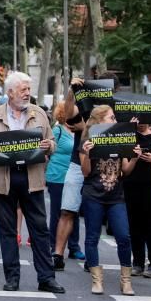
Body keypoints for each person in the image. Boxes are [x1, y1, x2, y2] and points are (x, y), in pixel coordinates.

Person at [0, 71, 64, 294]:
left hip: (31, 177)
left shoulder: (39, 113)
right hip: (4, 178)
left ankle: (46, 278)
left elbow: (52, 143)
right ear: (10, 92)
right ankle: (12, 277)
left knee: (39, 230)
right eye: (23, 89)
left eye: (28, 89)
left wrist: (48, 147)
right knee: (7, 231)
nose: (27, 93)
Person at [79, 105, 136, 296]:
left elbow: (126, 171)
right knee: (92, 237)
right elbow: (85, 172)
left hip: (115, 196)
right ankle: (96, 280)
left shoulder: (119, 138)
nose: (114, 120)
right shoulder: (88, 140)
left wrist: (134, 157)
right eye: (111, 118)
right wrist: (87, 154)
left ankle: (126, 281)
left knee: (124, 236)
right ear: (100, 120)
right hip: (93, 194)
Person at [44, 100, 83, 270]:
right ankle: (55, 247)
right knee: (59, 213)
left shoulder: (80, 129)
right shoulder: (58, 130)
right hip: (57, 176)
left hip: (75, 175)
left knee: (72, 211)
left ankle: (74, 247)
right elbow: (49, 151)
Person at [123, 120, 151, 278]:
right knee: (134, 225)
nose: (140, 122)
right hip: (131, 184)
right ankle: (137, 262)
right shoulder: (128, 136)